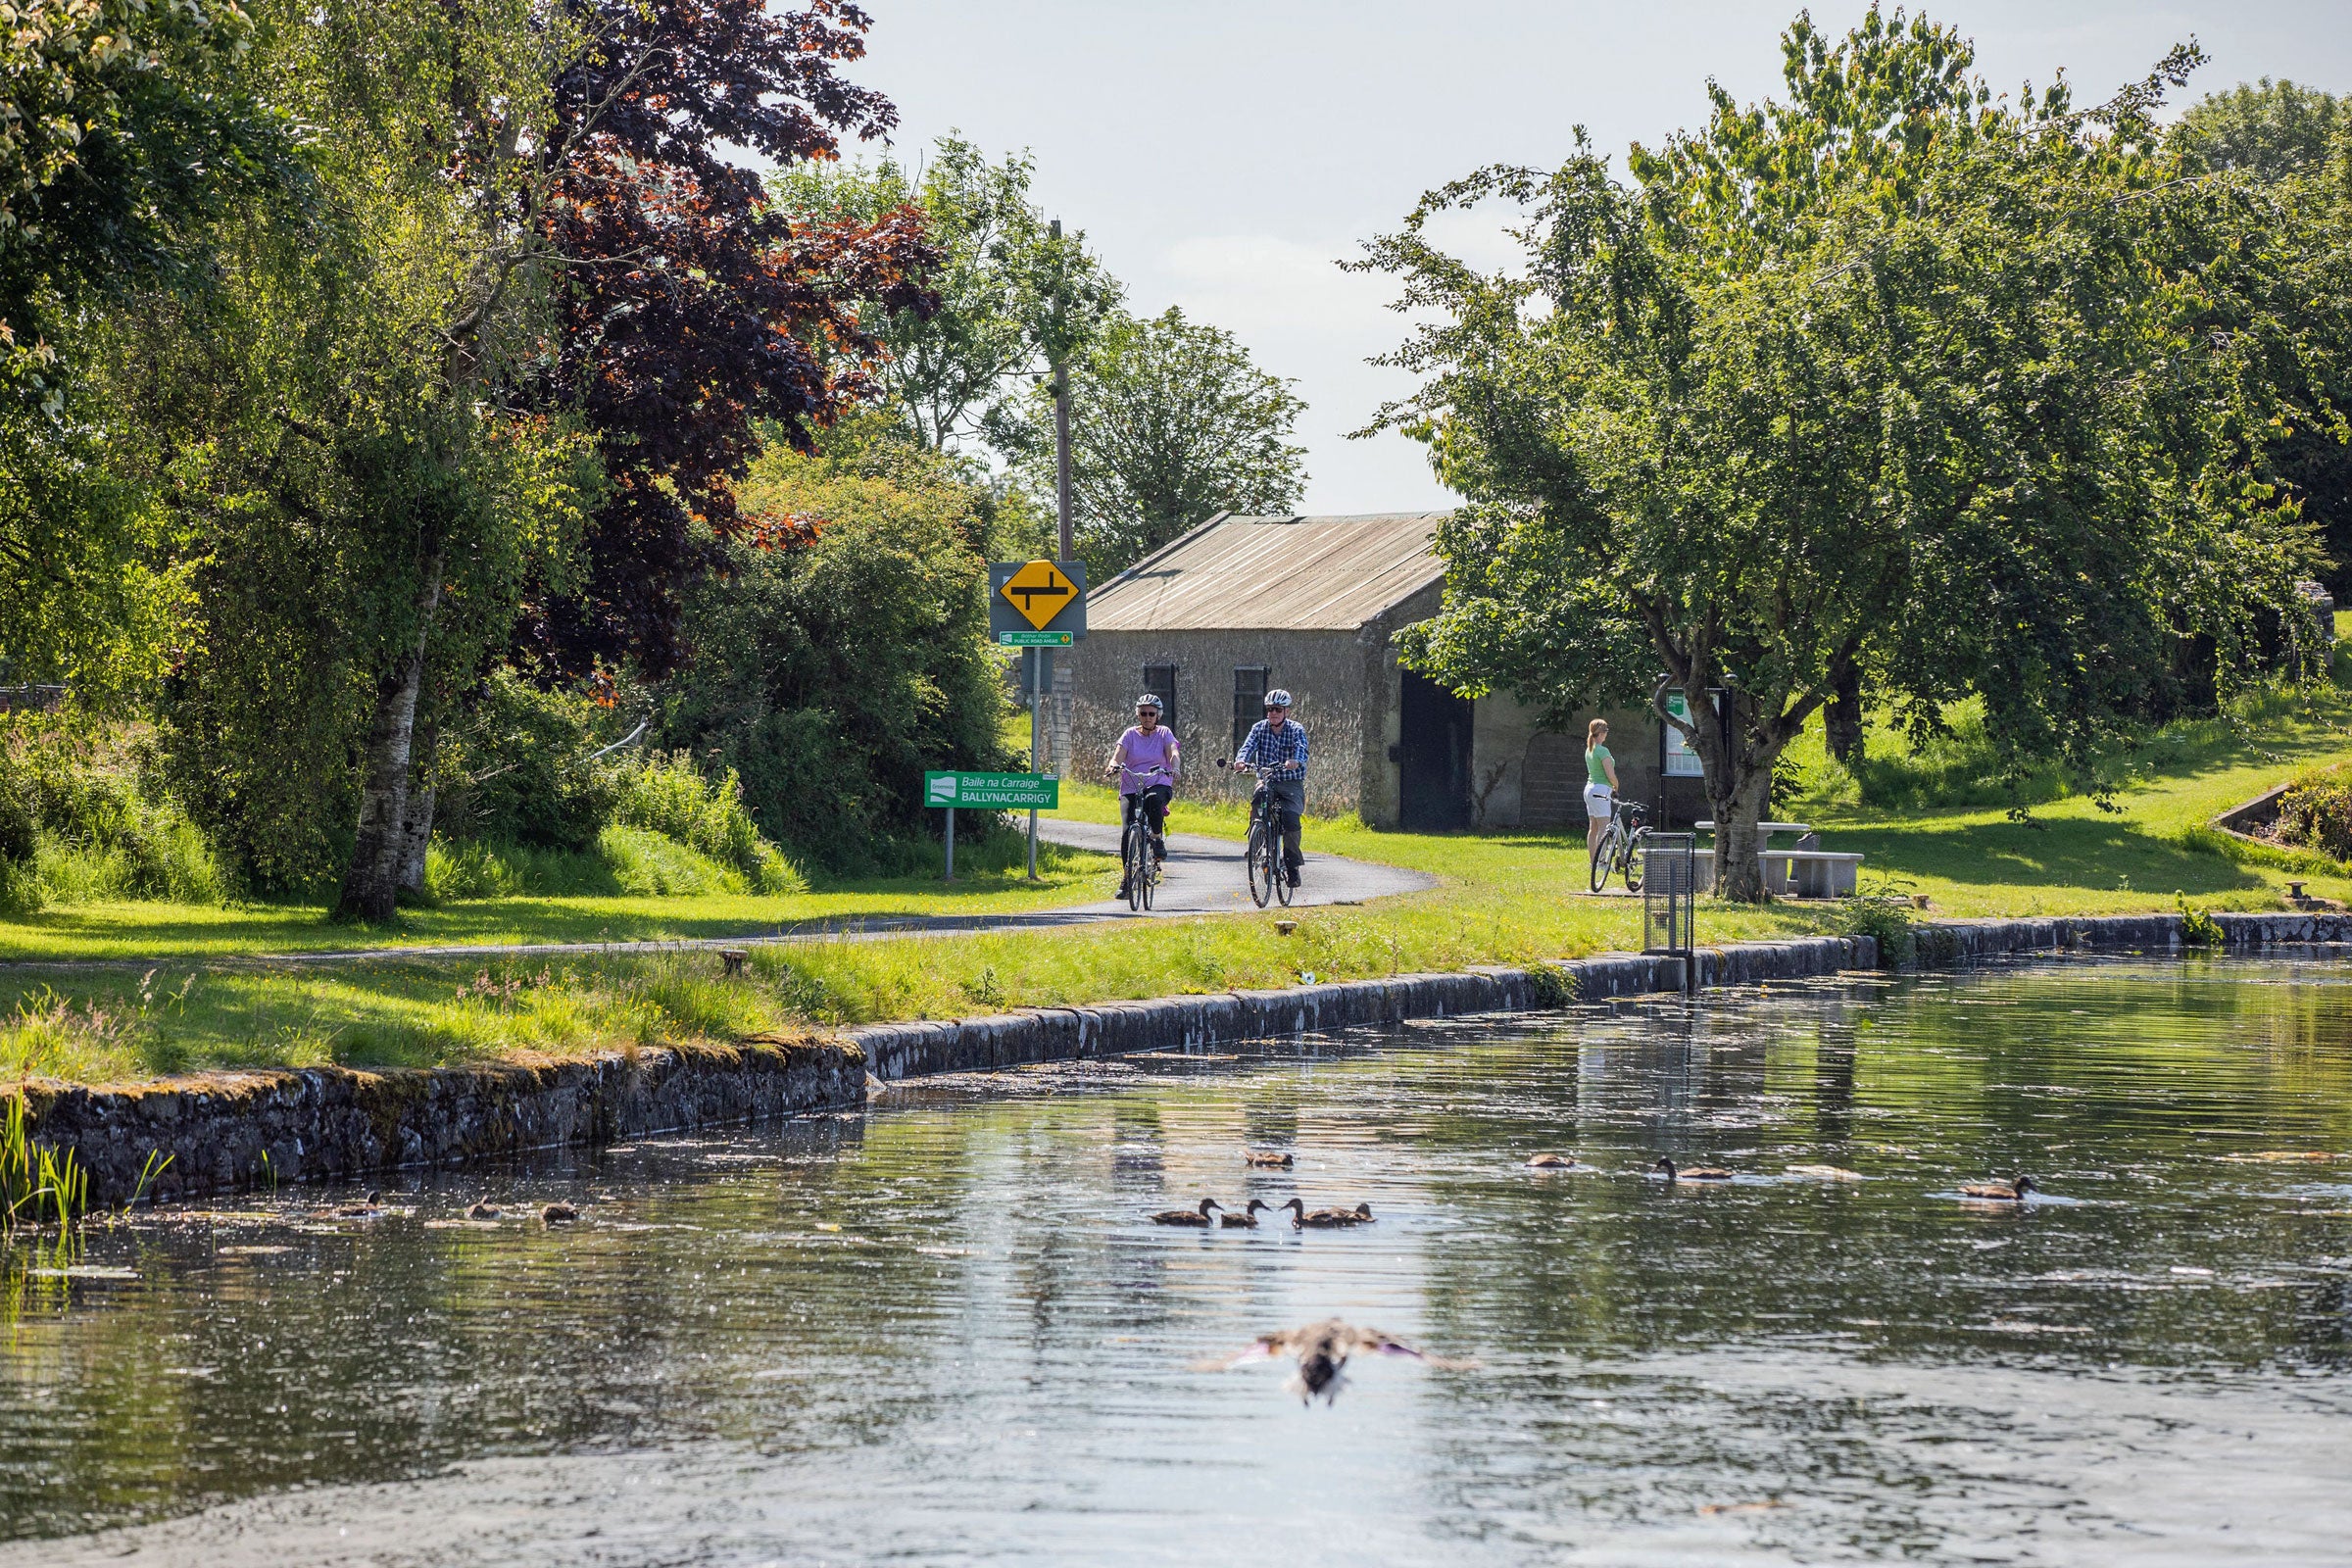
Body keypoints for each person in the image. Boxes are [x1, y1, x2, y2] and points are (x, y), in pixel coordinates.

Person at [1106, 693, 1179, 898]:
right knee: (1127, 829)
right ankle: (1127, 878)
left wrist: (1175, 767)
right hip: (1131, 784)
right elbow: (1118, 756)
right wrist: (1113, 766)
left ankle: (1156, 838)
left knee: (1153, 800)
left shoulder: (1164, 733)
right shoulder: (1129, 734)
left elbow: (1173, 752)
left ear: (1158, 716)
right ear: (1138, 714)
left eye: (1151, 714)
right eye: (1143, 713)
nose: (1147, 717)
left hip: (1158, 781)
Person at [1234, 688, 1308, 888]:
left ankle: (1292, 866)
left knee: (1291, 820)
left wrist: (1296, 761)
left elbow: (1302, 749)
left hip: (1290, 782)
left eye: (1277, 709)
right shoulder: (1259, 728)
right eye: (1269, 709)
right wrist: (1241, 761)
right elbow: (1247, 746)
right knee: (1258, 797)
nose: (1273, 713)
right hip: (1266, 780)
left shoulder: (1295, 729)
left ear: (1286, 712)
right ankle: (1257, 840)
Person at [1584, 716, 1618, 874]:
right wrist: (1616, 785)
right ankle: (1602, 862)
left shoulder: (1590, 749)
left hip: (1589, 789)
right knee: (1604, 827)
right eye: (1606, 731)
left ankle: (1593, 862)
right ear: (1602, 733)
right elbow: (1610, 774)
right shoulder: (1603, 750)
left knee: (1594, 828)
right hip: (1601, 790)